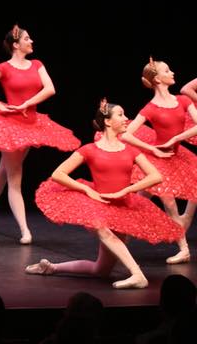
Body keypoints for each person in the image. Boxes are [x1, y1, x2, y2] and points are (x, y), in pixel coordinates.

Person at [28, 99, 182, 289]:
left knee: (100, 271)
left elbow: (155, 176)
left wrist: (129, 189)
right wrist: (86, 189)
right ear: (108, 121)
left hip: (122, 208)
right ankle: (138, 275)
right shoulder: (90, 150)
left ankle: (51, 268)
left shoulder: (131, 151)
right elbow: (58, 174)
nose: (126, 119)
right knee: (102, 229)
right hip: (98, 204)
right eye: (121, 115)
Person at [0, 24, 79, 244]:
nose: (31, 41)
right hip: (11, 128)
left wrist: (27, 102)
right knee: (14, 178)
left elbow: (49, 88)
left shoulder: (37, 64)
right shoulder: (4, 68)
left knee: (4, 173)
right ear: (15, 44)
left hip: (31, 125)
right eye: (27, 38)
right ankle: (25, 230)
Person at [120, 58, 197, 264]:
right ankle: (184, 249)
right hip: (158, 160)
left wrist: (176, 138)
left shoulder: (183, 100)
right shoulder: (151, 108)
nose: (172, 73)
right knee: (167, 201)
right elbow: (126, 135)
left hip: (177, 156)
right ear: (157, 79)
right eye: (167, 71)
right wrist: (152, 148)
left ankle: (122, 238)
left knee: (140, 198)